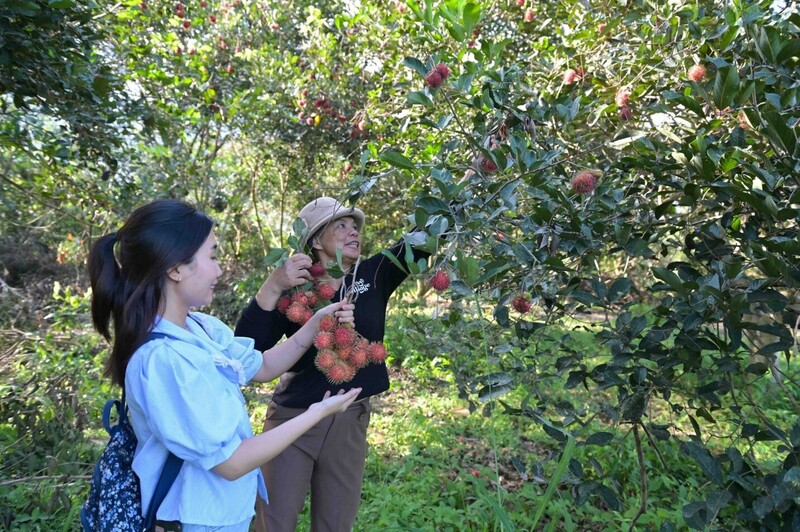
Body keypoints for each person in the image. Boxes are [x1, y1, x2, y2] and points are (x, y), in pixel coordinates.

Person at [87, 199, 361, 532]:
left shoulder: (202, 327)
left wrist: (316, 323)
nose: (219, 270)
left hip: (223, 516)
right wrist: (316, 413)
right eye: (213, 256)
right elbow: (230, 463)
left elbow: (260, 367)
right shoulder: (162, 361)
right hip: (191, 522)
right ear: (175, 268)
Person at [235, 196, 430, 532]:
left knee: (335, 524)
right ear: (315, 240)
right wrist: (272, 284)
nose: (352, 232)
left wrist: (472, 174)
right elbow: (248, 347)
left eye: (355, 226)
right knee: (272, 523)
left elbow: (423, 237)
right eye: (340, 225)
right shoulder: (297, 291)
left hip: (349, 418)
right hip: (293, 419)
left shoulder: (374, 273)